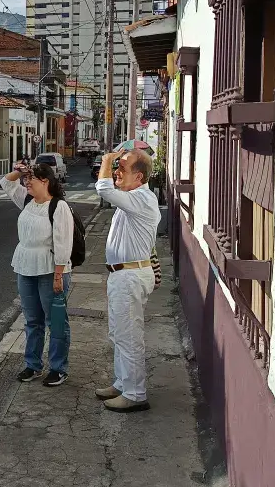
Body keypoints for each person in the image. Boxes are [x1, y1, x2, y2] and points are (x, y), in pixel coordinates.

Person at [94, 149, 160, 412]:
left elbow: (103, 189)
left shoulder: (142, 198)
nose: (116, 172)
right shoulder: (132, 198)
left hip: (130, 275)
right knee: (118, 333)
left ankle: (135, 393)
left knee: (129, 335)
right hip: (123, 274)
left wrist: (107, 161)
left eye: (122, 167)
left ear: (140, 176)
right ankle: (123, 383)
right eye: (116, 166)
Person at [0, 163, 74, 387]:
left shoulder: (58, 207)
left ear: (46, 181)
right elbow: (6, 182)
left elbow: (64, 243)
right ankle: (33, 365)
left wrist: (59, 275)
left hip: (51, 270)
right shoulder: (26, 201)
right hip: (26, 267)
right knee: (33, 321)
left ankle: (58, 368)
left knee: (56, 322)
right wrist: (21, 171)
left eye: (32, 179)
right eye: (27, 179)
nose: (27, 182)